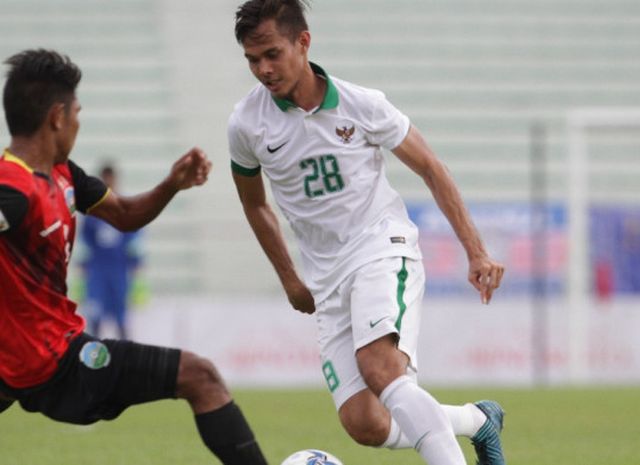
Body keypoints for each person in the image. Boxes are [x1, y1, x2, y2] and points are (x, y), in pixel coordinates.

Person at [228, 2, 506, 465]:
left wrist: (476, 252)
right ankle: (477, 421)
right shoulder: (246, 124)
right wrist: (290, 279)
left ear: (303, 42)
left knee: (382, 369)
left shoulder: (362, 105)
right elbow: (255, 203)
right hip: (326, 278)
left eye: (272, 54)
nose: (263, 69)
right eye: (253, 60)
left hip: (381, 247)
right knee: (365, 423)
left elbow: (432, 168)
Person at [0, 49, 267, 465]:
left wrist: (172, 185)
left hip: (21, 360)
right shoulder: (13, 190)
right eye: (76, 113)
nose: (77, 123)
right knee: (202, 377)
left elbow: (125, 215)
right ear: (57, 117)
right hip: (54, 365)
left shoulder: (63, 173)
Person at [81, 163, 143, 339]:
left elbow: (135, 240)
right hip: (97, 272)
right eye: (105, 179)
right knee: (95, 320)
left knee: (121, 320)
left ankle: (125, 363)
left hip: (119, 271)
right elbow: (84, 243)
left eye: (111, 179)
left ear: (116, 180)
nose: (109, 183)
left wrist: (137, 266)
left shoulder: (125, 207)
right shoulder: (91, 211)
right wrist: (82, 269)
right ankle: (94, 362)